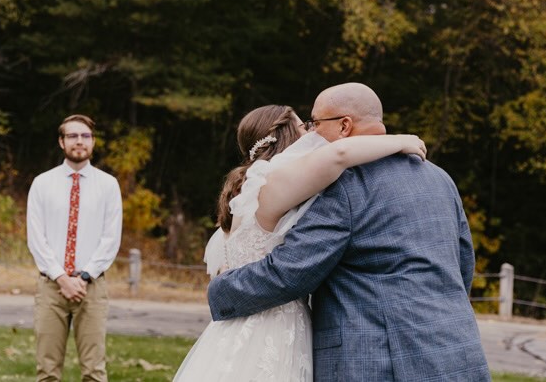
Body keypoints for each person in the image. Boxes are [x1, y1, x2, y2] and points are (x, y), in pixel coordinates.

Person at [207, 83, 491, 381]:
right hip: (457, 349)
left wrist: (220, 290)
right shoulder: (440, 178)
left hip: (378, 361)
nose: (312, 133)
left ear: (344, 126)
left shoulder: (345, 184)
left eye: (316, 123)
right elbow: (463, 264)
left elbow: (292, 271)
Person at [174, 103, 428, 381]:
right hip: (272, 322)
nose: (312, 132)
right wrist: (401, 141)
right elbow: (340, 154)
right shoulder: (270, 180)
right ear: (285, 136)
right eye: (304, 126)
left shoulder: (250, 187)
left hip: (248, 317)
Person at [26, 115, 122, 382]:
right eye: (72, 136)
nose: (79, 141)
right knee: (47, 371)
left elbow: (111, 238)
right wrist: (61, 277)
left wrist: (84, 276)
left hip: (91, 287)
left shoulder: (108, 185)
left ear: (93, 141)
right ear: (61, 142)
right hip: (51, 287)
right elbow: (36, 237)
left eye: (85, 136)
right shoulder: (42, 183)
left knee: (94, 371)